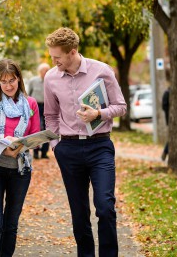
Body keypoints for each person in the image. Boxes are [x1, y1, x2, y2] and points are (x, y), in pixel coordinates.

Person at [43, 27, 127, 256]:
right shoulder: (51, 77)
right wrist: (55, 145)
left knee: (105, 207)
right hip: (68, 149)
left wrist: (98, 114)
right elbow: (50, 115)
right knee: (79, 213)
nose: (54, 61)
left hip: (99, 146)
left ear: (72, 52)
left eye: (57, 57)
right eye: (52, 56)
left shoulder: (102, 71)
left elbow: (121, 106)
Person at [0, 58, 40, 257]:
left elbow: (35, 135)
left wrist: (21, 144)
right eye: (3, 81)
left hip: (20, 170)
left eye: (11, 80)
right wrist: (4, 147)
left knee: (11, 224)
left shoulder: (30, 104)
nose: (8, 86)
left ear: (19, 79)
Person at [27, 63, 51, 159]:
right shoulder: (33, 81)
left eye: (47, 70)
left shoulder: (50, 81)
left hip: (47, 106)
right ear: (40, 71)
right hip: (35, 106)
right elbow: (28, 95)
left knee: (47, 129)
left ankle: (44, 152)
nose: (45, 72)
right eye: (44, 70)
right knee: (36, 128)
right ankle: (36, 152)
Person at [161, 87, 170, 161]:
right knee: (171, 137)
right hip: (170, 120)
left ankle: (165, 151)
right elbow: (164, 106)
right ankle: (165, 151)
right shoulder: (167, 93)